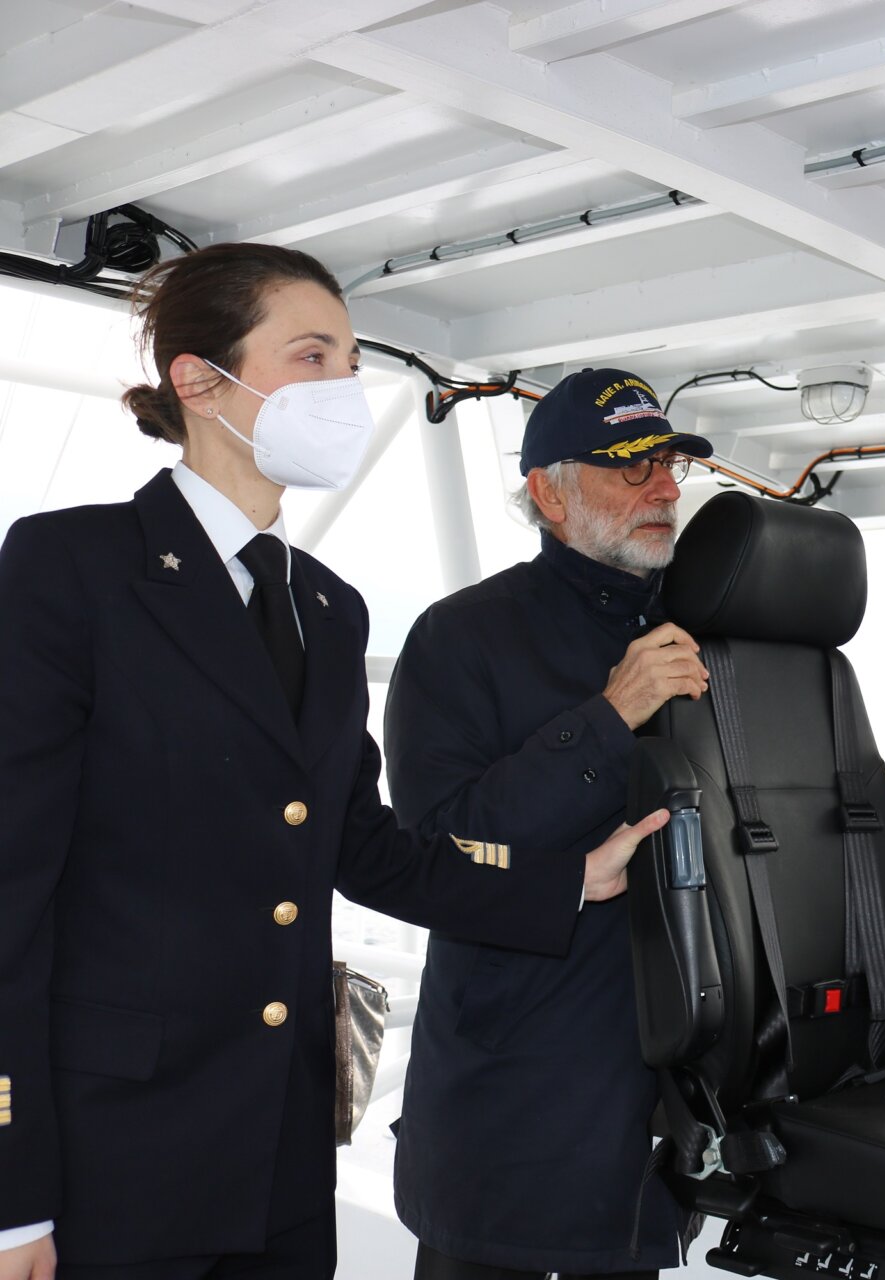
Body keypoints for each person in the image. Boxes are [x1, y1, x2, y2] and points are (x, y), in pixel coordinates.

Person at [0, 244, 658, 1280]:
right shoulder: (71, 569)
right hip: (115, 1158)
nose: (345, 388)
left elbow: (365, 845)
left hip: (281, 1155)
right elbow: (10, 894)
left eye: (353, 362)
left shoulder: (325, 607)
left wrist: (568, 878)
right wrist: (10, 1192)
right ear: (199, 379)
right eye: (314, 356)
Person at [385, 369, 712, 1280]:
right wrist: (608, 719)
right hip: (514, 1118)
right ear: (548, 492)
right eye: (630, 468)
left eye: (669, 465)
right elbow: (434, 853)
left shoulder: (704, 631)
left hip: (653, 1119)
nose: (664, 488)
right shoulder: (459, 638)